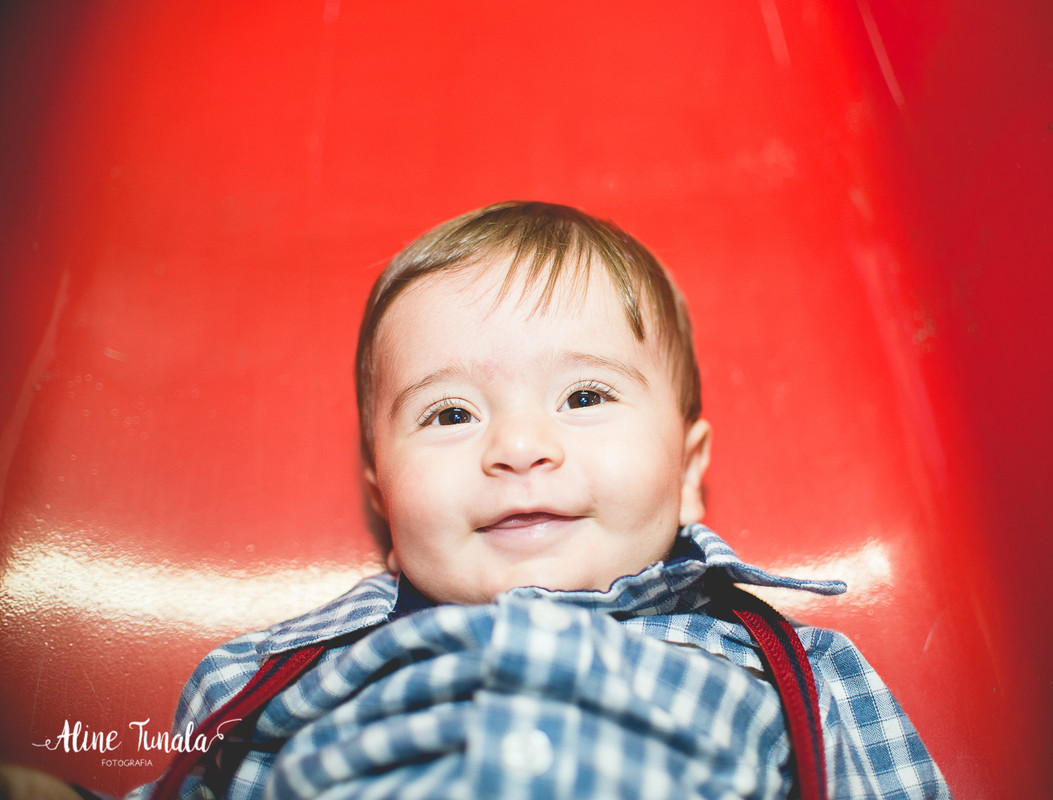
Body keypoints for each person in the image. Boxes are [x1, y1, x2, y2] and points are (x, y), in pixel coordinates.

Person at [120, 200, 949, 799]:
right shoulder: (268, 679)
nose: (518, 447)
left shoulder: (800, 674)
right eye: (451, 414)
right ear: (385, 502)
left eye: (584, 397)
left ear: (690, 473)